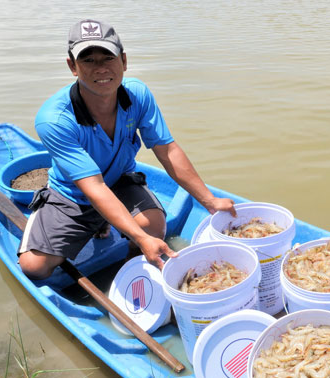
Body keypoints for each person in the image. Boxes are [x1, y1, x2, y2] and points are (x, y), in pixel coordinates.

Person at [18, 19, 235, 280]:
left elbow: (167, 150)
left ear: (124, 61)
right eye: (88, 60)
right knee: (34, 267)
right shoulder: (54, 119)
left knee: (154, 227)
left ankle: (130, 275)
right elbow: (94, 187)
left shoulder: (138, 95)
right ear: (72, 66)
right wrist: (139, 236)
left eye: (107, 57)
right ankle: (76, 220)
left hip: (120, 179)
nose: (101, 68)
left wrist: (209, 201)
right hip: (73, 194)